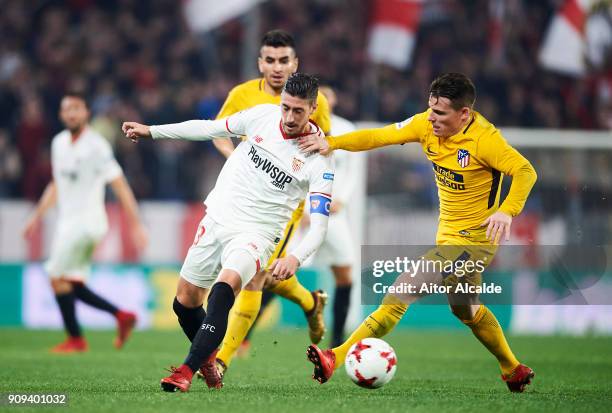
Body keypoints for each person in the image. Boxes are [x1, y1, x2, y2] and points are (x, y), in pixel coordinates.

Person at [298, 73, 538, 393]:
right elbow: (379, 136)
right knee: (467, 309)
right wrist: (333, 142)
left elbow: (525, 171)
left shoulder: (484, 139)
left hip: (473, 243)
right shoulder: (425, 124)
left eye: (441, 113)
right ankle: (513, 369)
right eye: (430, 109)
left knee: (400, 291)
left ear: (464, 114)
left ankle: (334, 357)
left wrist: (507, 211)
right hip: (449, 238)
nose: (432, 118)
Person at [122, 73, 334, 393]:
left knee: (226, 287)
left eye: (298, 111)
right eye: (286, 108)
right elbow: (209, 128)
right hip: (218, 218)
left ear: (313, 108)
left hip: (257, 234)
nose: (289, 117)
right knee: (185, 302)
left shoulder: (320, 158)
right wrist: (152, 132)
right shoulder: (262, 117)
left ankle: (186, 370)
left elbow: (319, 226)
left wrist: (295, 256)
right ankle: (208, 363)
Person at [211, 29, 331, 376]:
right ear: (259, 62)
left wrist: (315, 198)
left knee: (256, 276)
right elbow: (219, 132)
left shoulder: (314, 102)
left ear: (295, 63)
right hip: (243, 196)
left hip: (282, 204)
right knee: (264, 275)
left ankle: (222, 361)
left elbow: (323, 149)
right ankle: (311, 302)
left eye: (284, 61)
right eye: (270, 60)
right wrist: (238, 160)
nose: (277, 67)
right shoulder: (242, 95)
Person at [23, 92, 147, 353]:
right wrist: (36, 216)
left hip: (87, 222)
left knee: (56, 276)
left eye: (76, 108)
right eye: (66, 109)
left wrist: (136, 225)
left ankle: (76, 338)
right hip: (67, 223)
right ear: (60, 114)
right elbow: (57, 184)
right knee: (70, 282)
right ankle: (121, 315)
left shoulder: (97, 146)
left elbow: (120, 185)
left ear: (87, 113)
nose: (71, 113)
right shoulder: (58, 143)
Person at [309, 86, 358, 347]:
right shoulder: (301, 128)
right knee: (278, 273)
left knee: (345, 273)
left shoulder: (346, 129)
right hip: (305, 216)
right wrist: (303, 209)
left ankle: (337, 339)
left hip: (334, 214)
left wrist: (343, 200)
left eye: (329, 97)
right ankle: (245, 336)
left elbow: (351, 171)